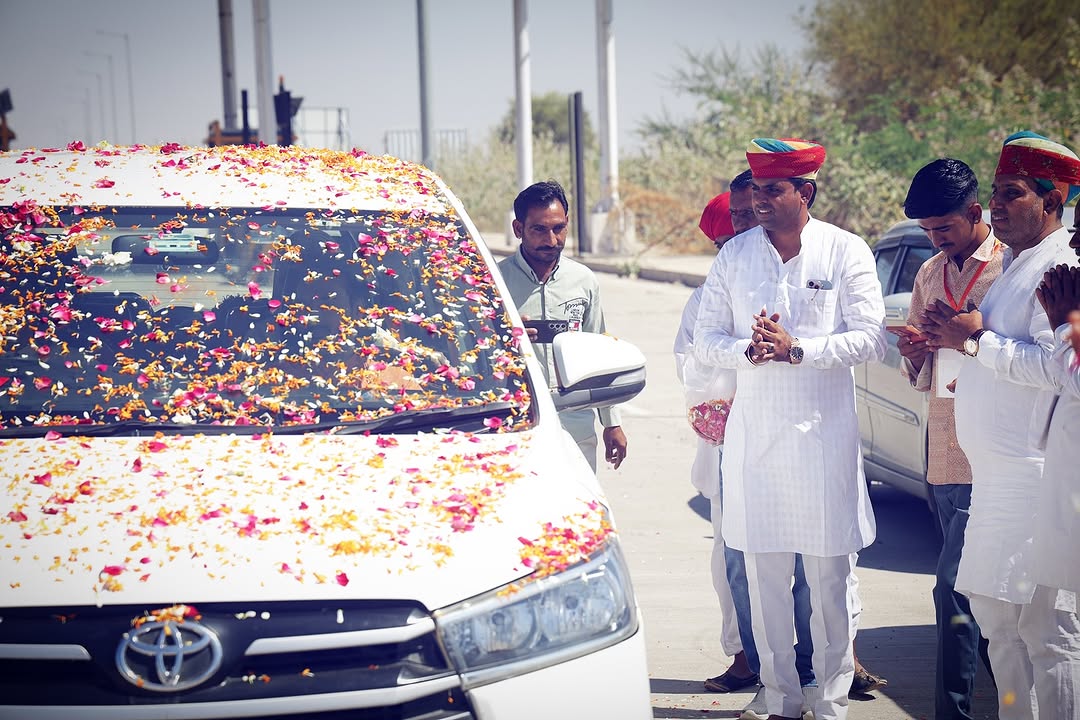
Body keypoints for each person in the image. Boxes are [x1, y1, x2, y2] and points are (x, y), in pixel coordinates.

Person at [695, 137, 886, 720]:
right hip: (756, 447)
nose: (759, 200)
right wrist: (747, 351)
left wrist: (797, 349)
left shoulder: (844, 250)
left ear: (806, 192)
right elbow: (706, 339)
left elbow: (871, 338)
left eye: (773, 189)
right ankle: (779, 698)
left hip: (824, 445)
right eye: (756, 189)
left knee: (830, 583)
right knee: (765, 581)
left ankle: (830, 703)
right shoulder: (735, 256)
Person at [921, 130, 1080, 719]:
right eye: (995, 193)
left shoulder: (1061, 265)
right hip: (992, 479)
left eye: (1013, 193)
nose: (997, 206)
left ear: (1052, 201)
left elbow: (1063, 370)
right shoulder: (1016, 263)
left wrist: (976, 341)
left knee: (1047, 632)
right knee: (997, 623)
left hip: (1034, 479)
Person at [896, 158, 1000, 720]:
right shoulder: (929, 273)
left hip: (995, 449)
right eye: (928, 230)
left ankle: (953, 711)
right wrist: (915, 351)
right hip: (944, 446)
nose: (936, 239)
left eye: (944, 227)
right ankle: (1015, 695)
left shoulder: (1009, 266)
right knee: (973, 593)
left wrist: (970, 339)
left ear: (975, 211)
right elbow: (920, 364)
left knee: (952, 588)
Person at [498, 180, 628, 472]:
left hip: (576, 426)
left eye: (559, 228)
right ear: (518, 229)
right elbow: (473, 354)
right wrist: (503, 336)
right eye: (539, 229)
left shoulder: (584, 280)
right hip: (517, 426)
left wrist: (612, 423)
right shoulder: (495, 282)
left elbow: (598, 355)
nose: (552, 240)